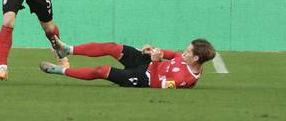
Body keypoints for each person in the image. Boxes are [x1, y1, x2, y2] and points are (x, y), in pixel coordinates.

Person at [41, 37, 216, 89]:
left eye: (188, 52)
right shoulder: (186, 58)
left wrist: (155, 63)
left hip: (143, 78)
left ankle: (60, 70)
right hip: (147, 62)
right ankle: (67, 50)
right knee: (112, 47)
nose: (183, 53)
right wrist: (154, 50)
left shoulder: (184, 79)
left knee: (102, 71)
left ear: (196, 59)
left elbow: (155, 84)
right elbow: (169, 54)